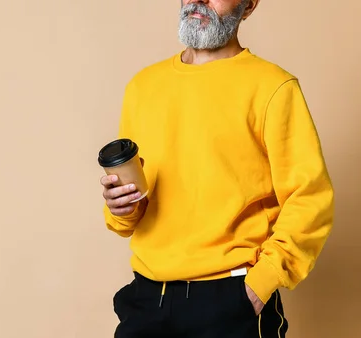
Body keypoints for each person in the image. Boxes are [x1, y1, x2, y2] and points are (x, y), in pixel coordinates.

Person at [99, 1, 335, 337]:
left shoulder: (273, 87)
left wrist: (261, 284)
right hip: (148, 297)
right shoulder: (142, 86)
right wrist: (121, 206)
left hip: (232, 297)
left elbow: (310, 199)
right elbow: (138, 205)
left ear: (249, 5)